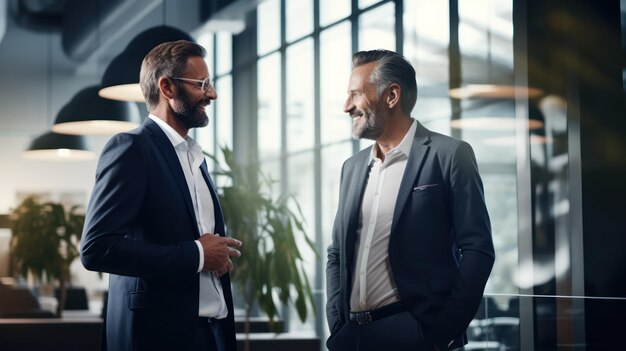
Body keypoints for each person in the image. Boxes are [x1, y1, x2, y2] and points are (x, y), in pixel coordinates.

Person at [326, 49, 495, 351]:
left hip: (415, 333)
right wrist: (337, 326)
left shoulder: (449, 155)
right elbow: (337, 253)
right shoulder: (351, 168)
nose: (346, 106)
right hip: (353, 336)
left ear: (391, 96)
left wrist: (442, 331)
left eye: (355, 94)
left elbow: (478, 249)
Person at [81, 40, 242, 351]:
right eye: (202, 84)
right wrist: (197, 254)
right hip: (155, 338)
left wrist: (213, 259)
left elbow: (183, 241)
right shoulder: (132, 149)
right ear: (167, 87)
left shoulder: (196, 158)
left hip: (209, 334)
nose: (212, 94)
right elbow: (96, 249)